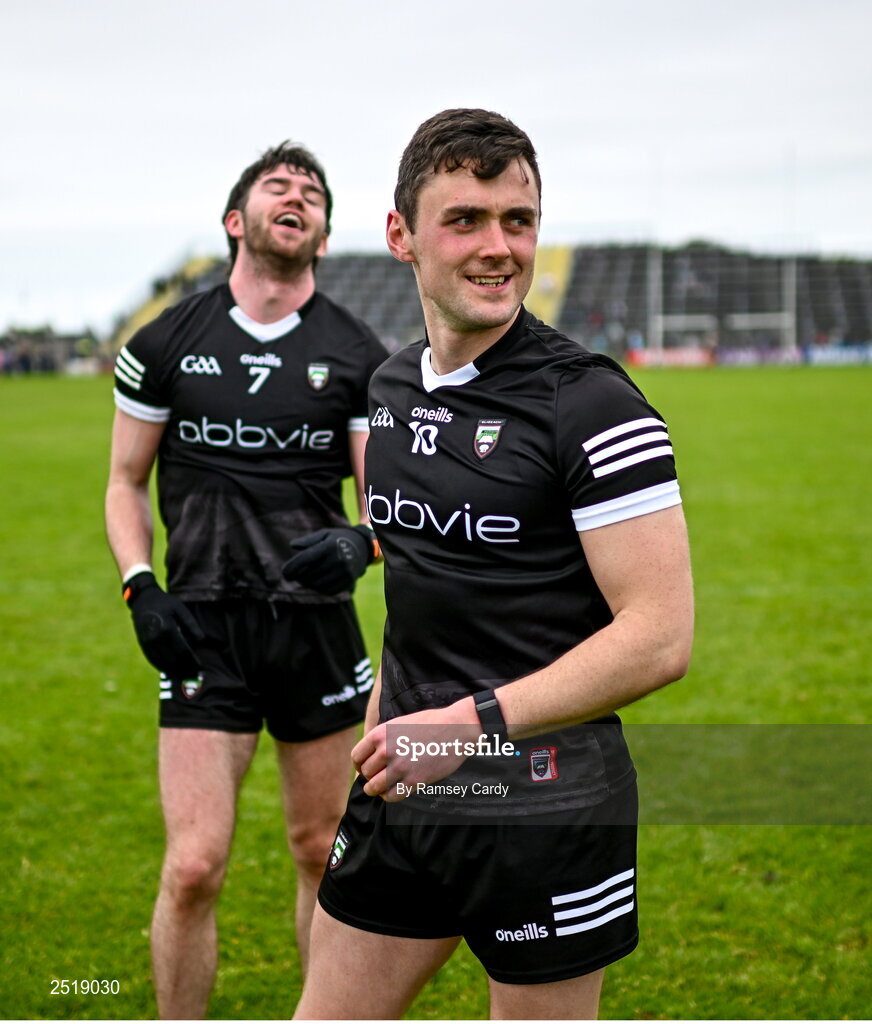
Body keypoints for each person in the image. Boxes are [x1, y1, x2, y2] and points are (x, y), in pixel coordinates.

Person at [291, 109, 694, 1021]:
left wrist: (465, 726)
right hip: (404, 788)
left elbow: (661, 636)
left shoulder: (590, 403)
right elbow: (422, 564)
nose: (498, 246)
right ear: (401, 235)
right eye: (465, 218)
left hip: (547, 811)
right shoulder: (391, 389)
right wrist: (388, 724)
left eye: (518, 220)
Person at [105, 141, 388, 1019]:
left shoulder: (358, 352)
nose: (296, 196)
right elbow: (124, 482)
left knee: (318, 850)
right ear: (238, 220)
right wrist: (140, 585)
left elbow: (387, 505)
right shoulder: (162, 340)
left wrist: (360, 546)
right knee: (194, 866)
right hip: (199, 629)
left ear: (324, 238)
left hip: (315, 629)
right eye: (279, 186)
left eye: (312, 192)